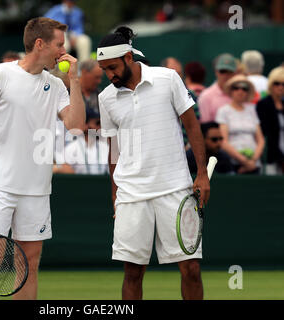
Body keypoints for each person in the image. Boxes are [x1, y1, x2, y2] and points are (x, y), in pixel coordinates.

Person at [0, 17, 85, 300]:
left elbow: (76, 125)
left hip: (37, 190)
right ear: (40, 44)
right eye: (59, 45)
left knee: (30, 265)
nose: (64, 52)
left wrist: (74, 79)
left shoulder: (57, 85)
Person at [97, 26, 210, 300]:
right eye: (104, 70)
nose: (109, 75)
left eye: (112, 67)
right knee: (132, 273)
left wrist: (202, 174)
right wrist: (115, 193)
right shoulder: (106, 98)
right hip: (131, 195)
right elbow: (114, 149)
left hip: (175, 188)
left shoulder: (168, 78)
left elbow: (193, 127)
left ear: (127, 57)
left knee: (191, 269)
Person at [215, 74, 265, 174]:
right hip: (233, 164)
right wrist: (244, 161)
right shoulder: (223, 111)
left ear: (247, 92)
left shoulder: (252, 110)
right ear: (231, 91)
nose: (240, 91)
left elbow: (260, 140)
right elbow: (223, 141)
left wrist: (253, 160)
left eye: (244, 88)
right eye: (236, 88)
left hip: (254, 164)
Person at [256, 66, 284, 175]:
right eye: (277, 83)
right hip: (270, 156)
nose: (280, 87)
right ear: (271, 85)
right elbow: (265, 133)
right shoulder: (263, 104)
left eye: (283, 84)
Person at [64, 108, 109, 174]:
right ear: (85, 125)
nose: (100, 127)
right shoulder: (71, 148)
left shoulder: (106, 148)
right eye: (97, 123)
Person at [198, 53, 237, 123]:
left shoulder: (241, 93)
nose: (226, 75)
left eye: (230, 71)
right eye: (223, 71)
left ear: (235, 73)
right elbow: (206, 129)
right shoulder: (206, 96)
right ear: (216, 71)